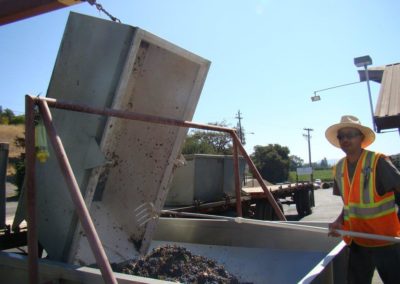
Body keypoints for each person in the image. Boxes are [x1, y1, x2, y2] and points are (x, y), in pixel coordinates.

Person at [326, 115, 400, 284]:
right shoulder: (338, 168)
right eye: (341, 136)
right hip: (358, 241)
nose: (345, 139)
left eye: (350, 135)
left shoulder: (377, 162)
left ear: (361, 137)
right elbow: (349, 204)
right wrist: (339, 222)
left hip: (386, 241)